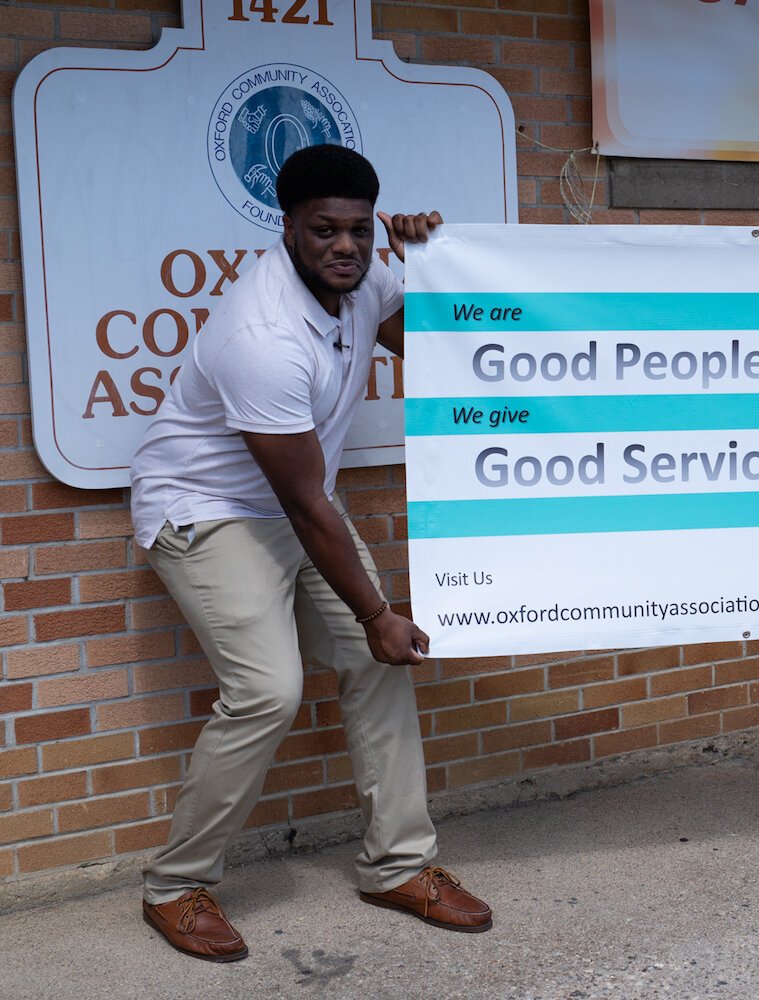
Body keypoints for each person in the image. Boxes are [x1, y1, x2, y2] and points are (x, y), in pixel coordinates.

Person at [130, 145, 491, 962]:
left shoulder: (365, 281)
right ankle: (175, 885)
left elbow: (437, 349)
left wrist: (426, 264)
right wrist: (375, 611)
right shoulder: (261, 334)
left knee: (380, 660)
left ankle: (399, 866)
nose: (346, 246)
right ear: (287, 226)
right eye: (325, 230)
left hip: (299, 504)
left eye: (360, 230)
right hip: (207, 513)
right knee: (267, 690)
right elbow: (302, 503)